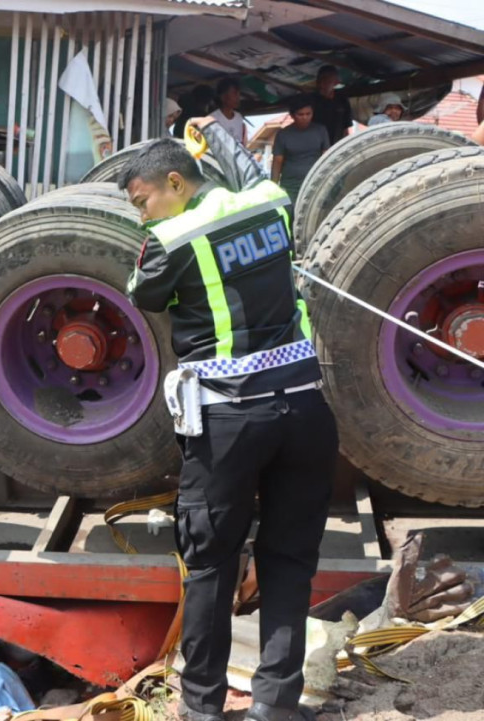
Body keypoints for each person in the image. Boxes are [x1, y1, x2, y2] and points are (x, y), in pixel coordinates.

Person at [120, 119, 338, 721]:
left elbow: (143, 294)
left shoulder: (170, 241)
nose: (143, 216)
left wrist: (160, 227)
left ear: (174, 181)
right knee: (290, 560)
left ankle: (203, 708)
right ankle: (274, 706)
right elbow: (245, 174)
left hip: (228, 421)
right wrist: (214, 133)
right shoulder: (272, 204)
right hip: (305, 408)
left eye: (143, 202)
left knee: (212, 564)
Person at [271, 96, 330, 203]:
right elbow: (277, 161)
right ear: (292, 115)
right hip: (291, 186)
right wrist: (273, 187)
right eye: (300, 114)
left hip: (315, 182)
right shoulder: (283, 134)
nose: (305, 117)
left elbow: (326, 156)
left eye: (308, 114)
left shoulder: (321, 130)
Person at [311, 65, 353, 145]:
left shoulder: (342, 100)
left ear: (336, 82)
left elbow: (346, 128)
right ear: (318, 82)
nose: (324, 84)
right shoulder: (312, 101)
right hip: (316, 145)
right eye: (322, 80)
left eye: (328, 80)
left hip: (337, 144)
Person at [211, 77, 247, 144]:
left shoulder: (239, 117)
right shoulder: (212, 118)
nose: (238, 97)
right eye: (234, 93)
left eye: (239, 94)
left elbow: (240, 142)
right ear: (223, 96)